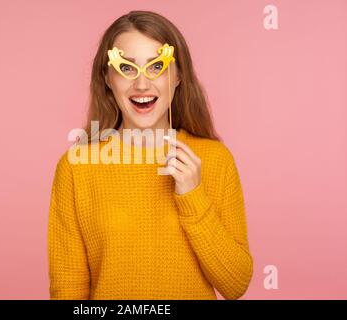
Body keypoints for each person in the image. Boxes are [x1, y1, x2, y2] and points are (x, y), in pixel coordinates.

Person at [48, 10, 253, 300]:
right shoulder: (76, 167)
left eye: (157, 67)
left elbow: (236, 285)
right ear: (107, 78)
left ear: (179, 75)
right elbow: (68, 290)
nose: (142, 85)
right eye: (127, 69)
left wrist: (193, 196)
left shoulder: (215, 159)